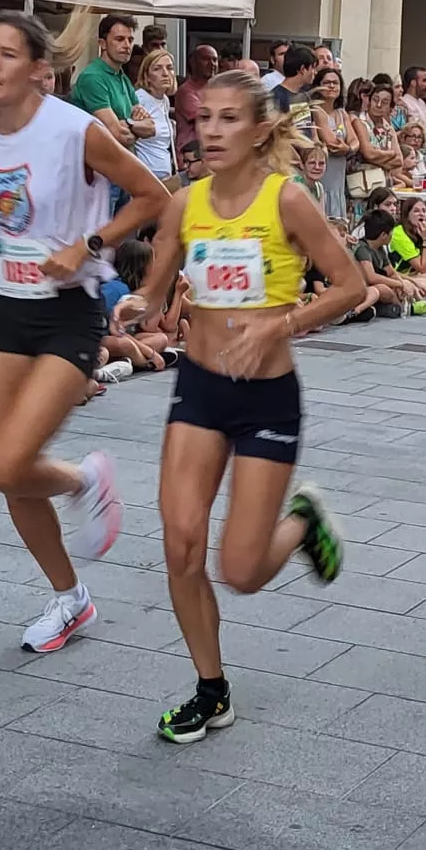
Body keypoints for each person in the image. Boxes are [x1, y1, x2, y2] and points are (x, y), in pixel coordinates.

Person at [0, 10, 167, 653]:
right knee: (10, 473)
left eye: (5, 55)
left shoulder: (74, 131)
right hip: (6, 308)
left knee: (9, 460)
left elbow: (154, 195)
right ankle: (70, 598)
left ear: (37, 70)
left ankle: (83, 479)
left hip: (69, 308)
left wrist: (88, 244)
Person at [114, 72, 359, 740]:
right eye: (206, 119)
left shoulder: (289, 201)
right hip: (200, 389)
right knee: (181, 544)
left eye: (229, 119)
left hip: (267, 399)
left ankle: (302, 522)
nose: (213, 130)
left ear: (258, 132)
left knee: (242, 572)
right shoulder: (184, 202)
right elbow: (159, 288)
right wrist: (139, 305)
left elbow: (351, 285)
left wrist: (281, 326)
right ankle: (211, 687)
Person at [71, 12, 151, 151]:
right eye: (119, 39)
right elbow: (119, 135)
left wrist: (127, 124)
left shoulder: (122, 77)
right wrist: (135, 127)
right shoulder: (93, 77)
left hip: (124, 160)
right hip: (102, 164)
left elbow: (150, 128)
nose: (127, 45)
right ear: (102, 43)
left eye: (130, 40)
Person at [309, 67, 353, 220]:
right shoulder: (316, 110)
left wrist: (348, 148)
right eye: (326, 82)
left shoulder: (342, 113)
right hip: (324, 170)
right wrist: (348, 148)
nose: (332, 86)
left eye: (335, 83)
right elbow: (331, 143)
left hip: (339, 175)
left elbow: (355, 141)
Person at [132, 46, 178, 181]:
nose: (165, 73)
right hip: (146, 174)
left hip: (165, 174)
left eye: (169, 68)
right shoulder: (139, 98)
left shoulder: (165, 100)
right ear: (147, 76)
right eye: (157, 69)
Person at [174, 44, 219, 172]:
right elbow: (206, 118)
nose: (212, 64)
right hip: (189, 160)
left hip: (207, 159)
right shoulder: (186, 91)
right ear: (193, 63)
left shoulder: (215, 90)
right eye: (206, 59)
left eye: (214, 60)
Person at [271, 45, 319, 142]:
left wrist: (318, 147)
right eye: (313, 67)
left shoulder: (305, 96)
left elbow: (311, 129)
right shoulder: (275, 96)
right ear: (302, 69)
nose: (316, 72)